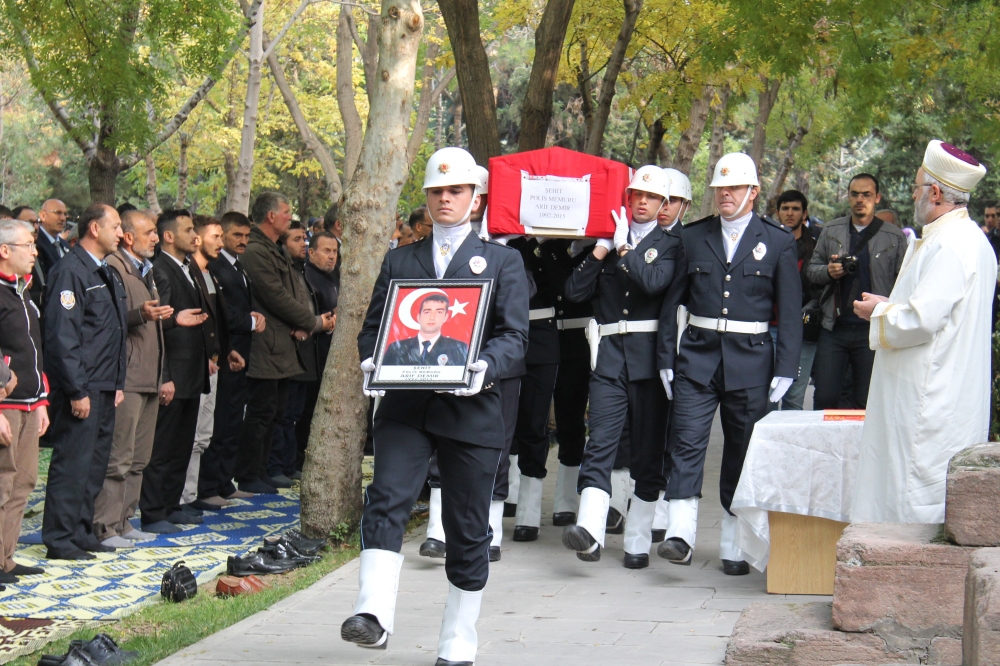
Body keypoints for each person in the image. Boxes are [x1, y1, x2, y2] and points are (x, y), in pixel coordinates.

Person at [341, 147, 528, 666]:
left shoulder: (502, 261)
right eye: (437, 192)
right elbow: (375, 329)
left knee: (469, 528)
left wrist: (484, 367)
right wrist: (370, 363)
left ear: (475, 198)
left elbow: (515, 337)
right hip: (405, 406)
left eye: (456, 191)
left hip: (472, 411)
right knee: (385, 497)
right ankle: (373, 615)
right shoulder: (401, 258)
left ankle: (458, 639)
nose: (445, 199)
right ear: (426, 197)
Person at [658, 153, 802, 576]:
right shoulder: (694, 236)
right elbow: (672, 303)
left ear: (753, 192)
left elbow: (789, 311)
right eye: (720, 188)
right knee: (685, 442)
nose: (725, 194)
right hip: (698, 354)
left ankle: (734, 544)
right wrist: (667, 355)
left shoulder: (777, 240)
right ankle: (679, 535)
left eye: (734, 188)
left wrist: (786, 367)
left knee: (741, 451)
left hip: (752, 361)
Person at [852, 140, 995, 523]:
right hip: (944, 389)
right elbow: (934, 307)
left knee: (914, 497)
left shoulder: (950, 244)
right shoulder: (967, 240)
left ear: (934, 192)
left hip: (930, 399)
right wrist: (890, 304)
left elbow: (922, 320)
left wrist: (878, 312)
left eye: (917, 188)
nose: (914, 196)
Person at [560, 165, 680, 569]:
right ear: (626, 199)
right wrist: (600, 249)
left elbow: (654, 284)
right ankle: (590, 531)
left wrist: (625, 249)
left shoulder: (671, 245)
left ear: (663, 204)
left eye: (650, 197)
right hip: (610, 356)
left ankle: (637, 539)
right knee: (601, 442)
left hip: (650, 358)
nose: (641, 202)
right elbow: (574, 292)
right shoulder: (607, 241)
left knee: (648, 452)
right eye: (635, 195)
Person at [41, 204, 128, 560]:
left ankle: (80, 530)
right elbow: (63, 336)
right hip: (83, 385)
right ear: (95, 228)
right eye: (116, 226)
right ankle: (60, 537)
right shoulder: (70, 271)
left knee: (94, 464)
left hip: (105, 382)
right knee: (73, 462)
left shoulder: (104, 271)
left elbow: (110, 331)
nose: (121, 234)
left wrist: (116, 381)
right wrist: (77, 389)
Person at [236, 193, 334, 494]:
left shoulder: (273, 249)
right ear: (270, 216)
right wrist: (312, 322)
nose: (290, 217)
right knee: (262, 411)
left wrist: (303, 322)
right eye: (286, 212)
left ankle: (265, 469)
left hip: (283, 342)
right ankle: (250, 473)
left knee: (277, 411)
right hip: (266, 343)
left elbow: (290, 292)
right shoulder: (256, 251)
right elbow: (274, 295)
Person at [95, 210, 182, 547]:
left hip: (148, 376)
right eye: (149, 232)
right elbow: (108, 320)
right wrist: (138, 314)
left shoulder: (147, 271)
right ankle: (104, 526)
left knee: (139, 458)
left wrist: (162, 375)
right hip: (127, 376)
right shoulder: (115, 267)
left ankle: (124, 520)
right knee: (118, 457)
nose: (156, 238)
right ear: (129, 237)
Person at [139, 210, 214, 534]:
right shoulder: (162, 270)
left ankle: (171, 504)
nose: (194, 235)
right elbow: (158, 323)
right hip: (173, 371)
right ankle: (154, 511)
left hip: (191, 371)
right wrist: (164, 374)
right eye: (187, 230)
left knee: (182, 443)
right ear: (169, 236)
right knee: (164, 445)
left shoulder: (186, 267)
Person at [806, 174, 906, 410]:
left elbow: (905, 284)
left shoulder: (893, 236)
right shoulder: (831, 230)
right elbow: (812, 270)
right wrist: (829, 271)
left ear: (877, 198)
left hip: (873, 330)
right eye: (855, 194)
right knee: (825, 399)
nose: (860, 199)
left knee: (868, 403)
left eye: (866, 194)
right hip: (834, 327)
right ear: (848, 197)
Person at [197, 212, 264, 504]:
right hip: (223, 354)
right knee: (219, 421)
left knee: (232, 420)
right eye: (236, 235)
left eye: (247, 236)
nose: (242, 241)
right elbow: (222, 314)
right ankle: (209, 485)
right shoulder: (216, 267)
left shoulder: (237, 267)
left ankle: (224, 481)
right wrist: (248, 322)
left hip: (237, 353)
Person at [182, 215, 244, 508]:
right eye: (215, 236)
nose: (221, 243)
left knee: (204, 434)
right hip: (195, 367)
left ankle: (193, 494)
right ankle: (184, 497)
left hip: (215, 362)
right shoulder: (189, 272)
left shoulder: (210, 272)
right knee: (191, 435)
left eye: (222, 236)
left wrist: (225, 349)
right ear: (197, 239)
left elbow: (216, 321)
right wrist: (206, 354)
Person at [0, 219, 49, 579]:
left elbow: (34, 351)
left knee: (24, 481)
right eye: (27, 245)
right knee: (2, 482)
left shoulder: (22, 290)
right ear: (4, 251)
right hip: (6, 406)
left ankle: (6, 557)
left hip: (31, 404)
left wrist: (43, 401)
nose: (35, 252)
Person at [268, 221, 319, 484]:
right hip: (286, 349)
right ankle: (276, 465)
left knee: (295, 414)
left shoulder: (300, 270)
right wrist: (309, 323)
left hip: (305, 351)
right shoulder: (283, 270)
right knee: (283, 414)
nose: (303, 244)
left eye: (304, 238)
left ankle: (288, 464)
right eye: (297, 239)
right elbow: (284, 304)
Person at [295, 231, 339, 471]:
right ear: (311, 252)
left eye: (334, 251)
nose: (331, 257)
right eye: (326, 251)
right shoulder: (307, 276)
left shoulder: (332, 276)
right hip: (311, 352)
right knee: (304, 410)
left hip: (328, 353)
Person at [774, 190, 821, 410]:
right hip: (769, 328)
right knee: (766, 397)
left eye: (795, 209)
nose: (790, 213)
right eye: (785, 208)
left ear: (804, 214)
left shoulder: (816, 244)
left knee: (794, 398)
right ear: (777, 212)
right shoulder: (767, 241)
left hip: (804, 330)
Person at [382, 293, 469, 366]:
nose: (432, 317)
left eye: (439, 312)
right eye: (427, 312)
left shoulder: (457, 348)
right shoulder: (396, 348)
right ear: (418, 317)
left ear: (446, 317)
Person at [36, 200, 71, 275]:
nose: (63, 218)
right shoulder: (36, 243)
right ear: (42, 215)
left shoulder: (65, 244)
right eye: (58, 213)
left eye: (65, 214)